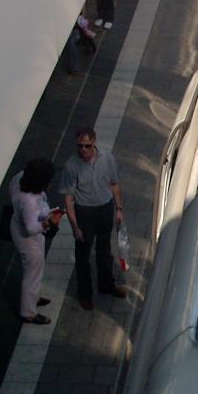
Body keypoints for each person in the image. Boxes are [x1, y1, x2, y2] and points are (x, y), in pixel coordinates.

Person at [60, 127, 126, 310]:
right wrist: (75, 226)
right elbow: (68, 199)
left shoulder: (107, 159)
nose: (83, 150)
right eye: (80, 146)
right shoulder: (71, 166)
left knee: (104, 251)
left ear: (94, 143)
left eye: (87, 146)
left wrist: (118, 209)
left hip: (104, 209)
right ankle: (85, 294)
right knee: (83, 256)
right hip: (84, 212)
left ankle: (107, 285)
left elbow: (114, 184)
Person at [9, 158, 62, 324]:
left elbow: (10, 190)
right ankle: (28, 312)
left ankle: (34, 297)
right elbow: (31, 228)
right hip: (28, 238)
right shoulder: (29, 202)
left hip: (20, 226)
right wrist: (48, 222)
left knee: (36, 269)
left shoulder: (19, 178)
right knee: (32, 272)